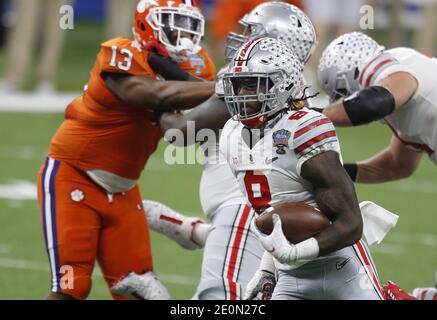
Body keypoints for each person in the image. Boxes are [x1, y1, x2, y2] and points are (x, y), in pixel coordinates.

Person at [36, 0, 215, 300]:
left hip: (123, 190)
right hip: (73, 176)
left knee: (139, 288)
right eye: (174, 23)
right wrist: (221, 87)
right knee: (72, 286)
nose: (183, 33)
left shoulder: (196, 66)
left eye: (190, 24)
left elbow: (184, 124)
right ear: (148, 23)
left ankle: (166, 218)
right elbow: (149, 93)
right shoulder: (120, 52)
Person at [141, 2, 318, 300]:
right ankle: (199, 233)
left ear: (273, 42)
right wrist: (172, 73)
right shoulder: (288, 83)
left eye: (250, 31)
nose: (239, 36)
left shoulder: (253, 82)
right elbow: (215, 94)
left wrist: (155, 100)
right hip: (273, 211)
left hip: (244, 209)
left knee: (221, 297)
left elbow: (181, 131)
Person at [219, 37, 383, 300]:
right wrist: (268, 269)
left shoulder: (303, 128)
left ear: (282, 84)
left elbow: (351, 224)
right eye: (238, 85)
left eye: (252, 84)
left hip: (341, 267)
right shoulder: (231, 135)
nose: (241, 95)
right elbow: (275, 213)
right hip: (290, 276)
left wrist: (295, 253)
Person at [317, 31, 437, 300]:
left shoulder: (400, 68)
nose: (344, 101)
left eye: (344, 95)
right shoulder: (402, 88)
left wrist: (316, 117)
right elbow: (397, 165)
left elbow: (372, 103)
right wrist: (338, 173)